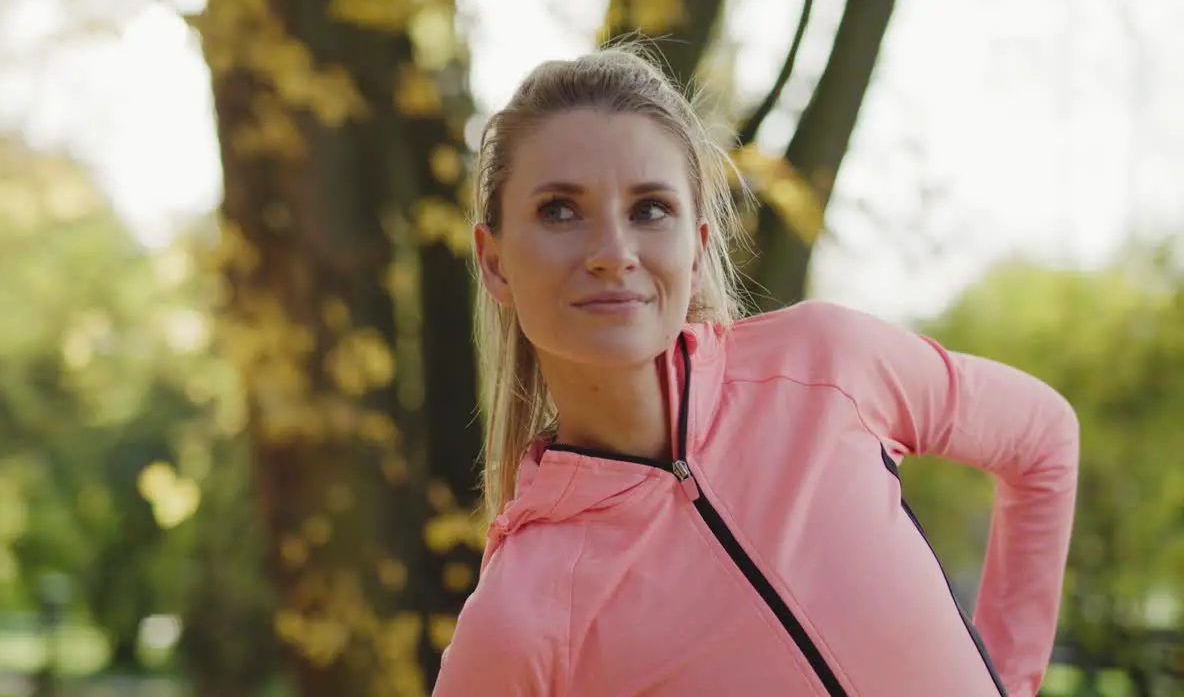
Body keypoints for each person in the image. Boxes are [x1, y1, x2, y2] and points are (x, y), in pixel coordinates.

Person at [432, 46, 1079, 697]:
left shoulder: (827, 367)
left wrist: (1008, 683)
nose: (612, 253)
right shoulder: (524, 614)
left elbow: (1042, 437)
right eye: (559, 211)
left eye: (649, 208)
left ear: (698, 249)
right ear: (494, 263)